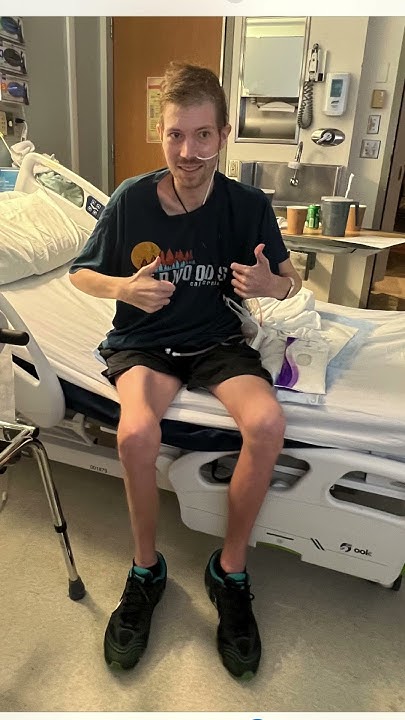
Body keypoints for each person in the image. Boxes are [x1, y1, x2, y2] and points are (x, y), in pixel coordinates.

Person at [69, 61, 302, 679]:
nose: (188, 151)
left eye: (202, 135)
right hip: (145, 343)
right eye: (175, 135)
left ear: (223, 135)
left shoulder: (246, 204)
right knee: (135, 434)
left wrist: (271, 285)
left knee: (267, 424)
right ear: (161, 134)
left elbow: (291, 279)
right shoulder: (131, 200)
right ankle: (147, 569)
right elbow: (80, 274)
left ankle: (230, 572)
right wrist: (124, 287)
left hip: (216, 340)